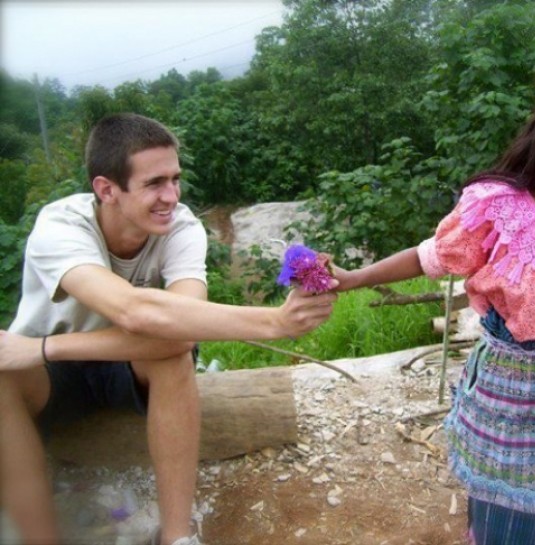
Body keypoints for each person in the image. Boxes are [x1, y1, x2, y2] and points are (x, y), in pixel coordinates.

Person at [331, 68, 535, 544]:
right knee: (499, 494)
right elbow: (432, 256)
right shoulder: (498, 207)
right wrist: (356, 278)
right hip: (503, 380)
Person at [0, 113, 337, 545]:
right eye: (154, 183)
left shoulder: (181, 226)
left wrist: (43, 348)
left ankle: (176, 537)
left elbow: (183, 325)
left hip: (105, 360)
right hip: (50, 377)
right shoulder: (60, 227)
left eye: (175, 179)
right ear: (106, 189)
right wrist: (274, 322)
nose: (171, 196)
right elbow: (131, 310)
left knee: (174, 351)